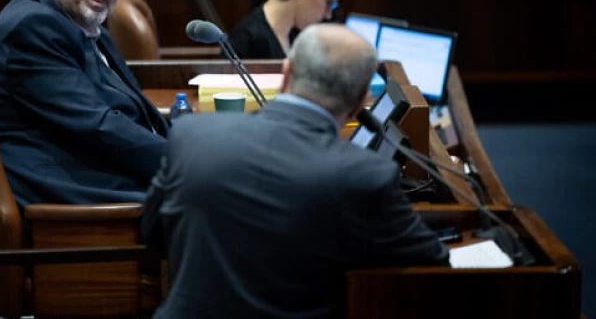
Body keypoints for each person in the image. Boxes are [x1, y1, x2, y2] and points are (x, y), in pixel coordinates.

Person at [142, 24, 449, 318]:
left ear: (285, 74)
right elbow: (432, 261)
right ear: (360, 103)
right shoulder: (366, 175)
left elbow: (153, 230)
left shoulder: (191, 134)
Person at [0, 0, 169, 207]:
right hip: (71, 186)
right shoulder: (32, 27)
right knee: (216, 201)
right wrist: (184, 158)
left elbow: (122, 110)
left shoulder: (82, 22)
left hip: (95, 164)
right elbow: (97, 127)